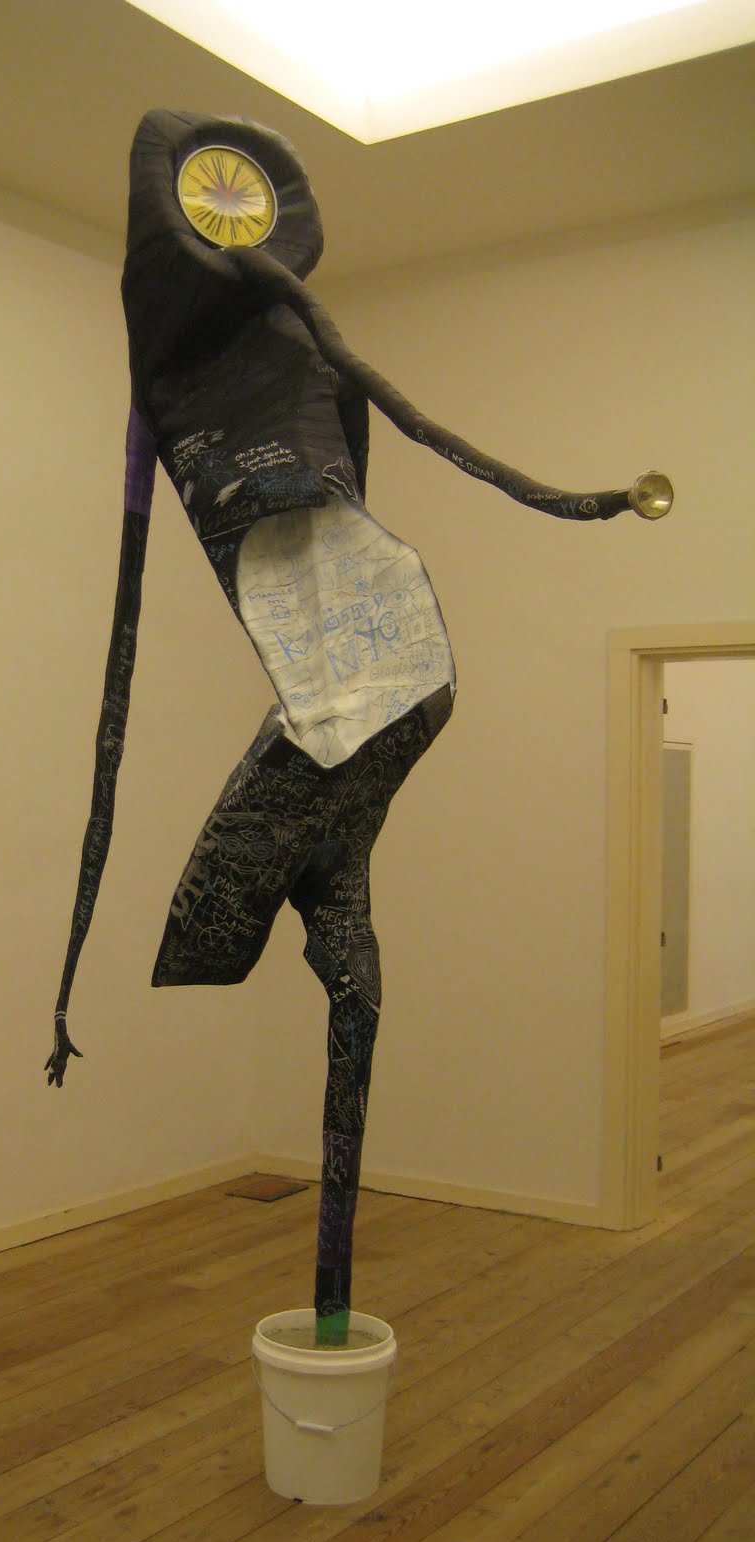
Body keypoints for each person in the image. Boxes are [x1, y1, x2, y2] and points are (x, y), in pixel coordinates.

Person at [44, 110, 670, 1344]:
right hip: (375, 686)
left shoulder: (288, 332)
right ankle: (332, 1295)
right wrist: (66, 959)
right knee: (337, 944)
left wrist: (587, 502)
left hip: (377, 682)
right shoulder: (164, 391)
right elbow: (124, 640)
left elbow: (416, 431)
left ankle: (329, 944)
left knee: (212, 913)